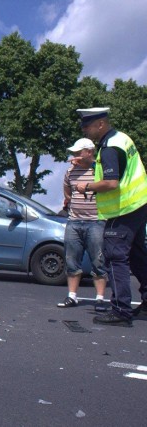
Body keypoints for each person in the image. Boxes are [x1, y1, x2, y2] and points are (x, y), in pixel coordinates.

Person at [75, 107, 147, 327]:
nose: (85, 131)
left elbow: (111, 182)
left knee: (115, 257)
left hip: (122, 209)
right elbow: (120, 169)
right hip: (138, 205)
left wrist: (85, 185)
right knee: (137, 256)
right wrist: (90, 165)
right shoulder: (121, 138)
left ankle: (120, 311)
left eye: (87, 126)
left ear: (100, 124)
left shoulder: (108, 148)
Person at [56, 138, 107, 312]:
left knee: (98, 260)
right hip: (74, 221)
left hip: (96, 221)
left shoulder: (99, 170)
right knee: (71, 260)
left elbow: (108, 188)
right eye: (74, 153)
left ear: (89, 152)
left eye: (78, 152)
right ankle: (72, 296)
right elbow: (67, 194)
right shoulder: (70, 172)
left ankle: (100, 298)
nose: (74, 156)